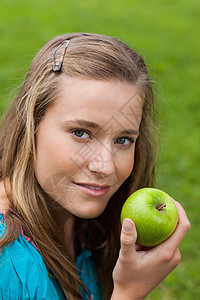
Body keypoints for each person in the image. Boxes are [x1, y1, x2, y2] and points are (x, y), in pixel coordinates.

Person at [0, 33, 190, 300]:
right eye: (81, 133)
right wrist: (128, 293)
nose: (105, 166)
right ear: (31, 127)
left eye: (123, 139)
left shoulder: (88, 228)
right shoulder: (8, 264)